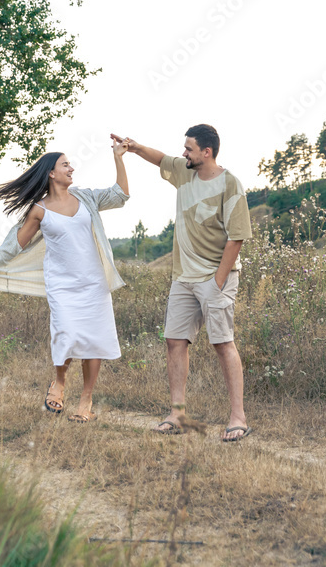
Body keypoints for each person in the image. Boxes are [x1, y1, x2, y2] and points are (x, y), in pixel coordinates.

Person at [0, 137, 130, 422]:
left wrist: (118, 157)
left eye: (71, 164)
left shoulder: (86, 197)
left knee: (94, 339)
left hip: (94, 283)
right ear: (51, 173)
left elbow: (120, 195)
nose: (72, 168)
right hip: (62, 285)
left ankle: (86, 400)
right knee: (65, 332)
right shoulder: (39, 210)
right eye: (65, 164)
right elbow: (13, 247)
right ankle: (60, 382)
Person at [111, 124, 253, 441]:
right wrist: (132, 147)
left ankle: (238, 417)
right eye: (184, 147)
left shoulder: (231, 185)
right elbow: (159, 158)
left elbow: (237, 237)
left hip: (217, 278)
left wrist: (218, 281)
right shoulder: (184, 172)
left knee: (222, 343)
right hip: (183, 279)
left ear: (207, 152)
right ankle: (177, 413)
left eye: (189, 148)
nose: (183, 153)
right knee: (174, 341)